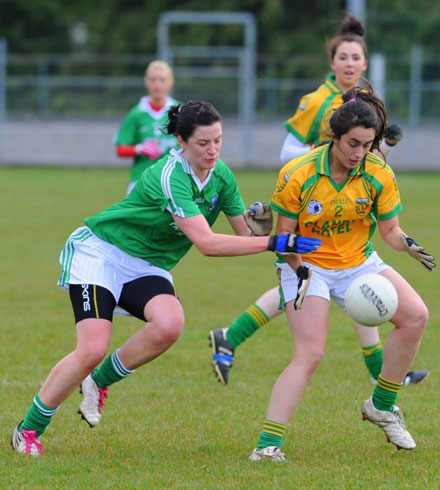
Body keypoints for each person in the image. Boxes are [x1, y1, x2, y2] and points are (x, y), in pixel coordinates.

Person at [10, 100, 321, 457]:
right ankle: (28, 429)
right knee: (92, 348)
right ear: (181, 142)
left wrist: (266, 235)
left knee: (170, 324)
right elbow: (207, 243)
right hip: (101, 253)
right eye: (203, 143)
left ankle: (99, 382)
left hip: (146, 264)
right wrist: (272, 242)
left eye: (218, 140)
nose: (213, 149)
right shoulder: (171, 176)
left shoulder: (223, 177)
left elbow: (246, 237)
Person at [208, 14, 428, 388]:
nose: (350, 64)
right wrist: (324, 157)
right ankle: (382, 375)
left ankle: (383, 375)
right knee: (313, 284)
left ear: (364, 62)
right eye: (343, 57)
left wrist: (386, 145)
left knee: (357, 291)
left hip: (345, 209)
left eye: (356, 58)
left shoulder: (366, 100)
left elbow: (369, 162)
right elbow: (288, 153)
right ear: (332, 62)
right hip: (312, 205)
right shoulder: (318, 100)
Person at [249, 83, 435, 461]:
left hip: (358, 264)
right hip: (307, 265)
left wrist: (409, 244)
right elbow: (283, 237)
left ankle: (381, 405)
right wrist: (299, 271)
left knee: (416, 316)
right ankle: (268, 446)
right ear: (334, 137)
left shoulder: (377, 171)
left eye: (367, 145)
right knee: (311, 354)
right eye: (352, 143)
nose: (359, 153)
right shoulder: (298, 172)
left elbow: (390, 232)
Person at [115, 60, 179, 195]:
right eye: (153, 80)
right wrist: (140, 148)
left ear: (170, 83)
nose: (157, 84)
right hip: (141, 180)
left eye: (162, 80)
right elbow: (120, 149)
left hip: (174, 180)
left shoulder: (180, 112)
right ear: (146, 82)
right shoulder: (136, 114)